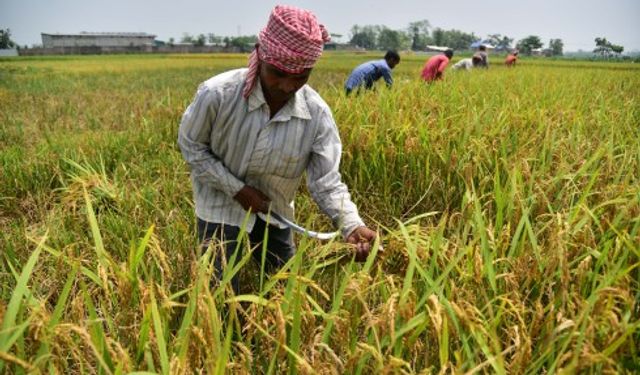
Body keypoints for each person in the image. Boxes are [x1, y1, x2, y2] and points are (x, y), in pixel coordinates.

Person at [178, 5, 377, 293]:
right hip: (220, 204)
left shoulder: (316, 114)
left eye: (300, 76)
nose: (287, 86)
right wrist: (237, 189)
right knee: (216, 293)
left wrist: (351, 224)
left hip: (275, 210)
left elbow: (326, 182)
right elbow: (192, 146)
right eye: (279, 73)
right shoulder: (217, 95)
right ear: (261, 55)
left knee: (284, 289)